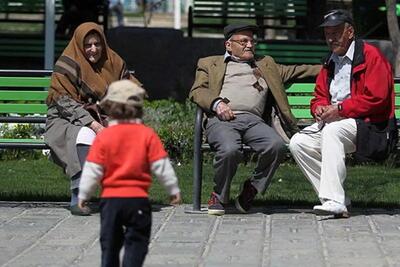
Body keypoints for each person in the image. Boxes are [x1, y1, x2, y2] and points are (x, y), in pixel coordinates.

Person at [189, 24, 321, 215]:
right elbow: (197, 91)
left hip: (254, 121)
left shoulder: (266, 64)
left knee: (276, 146)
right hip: (222, 119)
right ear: (228, 45)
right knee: (229, 149)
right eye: (244, 41)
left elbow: (300, 70)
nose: (250, 45)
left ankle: (252, 188)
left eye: (252, 41)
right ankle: (219, 195)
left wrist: (329, 67)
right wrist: (217, 104)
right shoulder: (209, 63)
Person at [289, 9, 397, 217]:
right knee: (298, 143)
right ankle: (340, 198)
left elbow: (377, 98)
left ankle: (334, 200)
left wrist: (340, 109)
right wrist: (319, 108)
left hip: (370, 125)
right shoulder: (329, 60)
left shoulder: (371, 56)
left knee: (333, 132)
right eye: (327, 34)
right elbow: (319, 95)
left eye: (336, 33)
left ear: (350, 32)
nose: (331, 38)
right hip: (337, 123)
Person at [77, 79, 181, 267]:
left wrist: (84, 194)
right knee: (137, 242)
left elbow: (93, 170)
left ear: (109, 107)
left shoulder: (104, 136)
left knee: (110, 243)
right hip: (137, 201)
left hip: (111, 202)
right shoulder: (147, 134)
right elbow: (161, 165)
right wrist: (173, 190)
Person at [45, 22, 142, 216]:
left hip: (104, 115)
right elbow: (63, 101)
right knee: (84, 135)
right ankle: (79, 197)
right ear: (80, 45)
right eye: (88, 45)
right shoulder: (67, 64)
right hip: (66, 117)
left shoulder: (112, 61)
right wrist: (95, 124)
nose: (93, 49)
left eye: (97, 44)